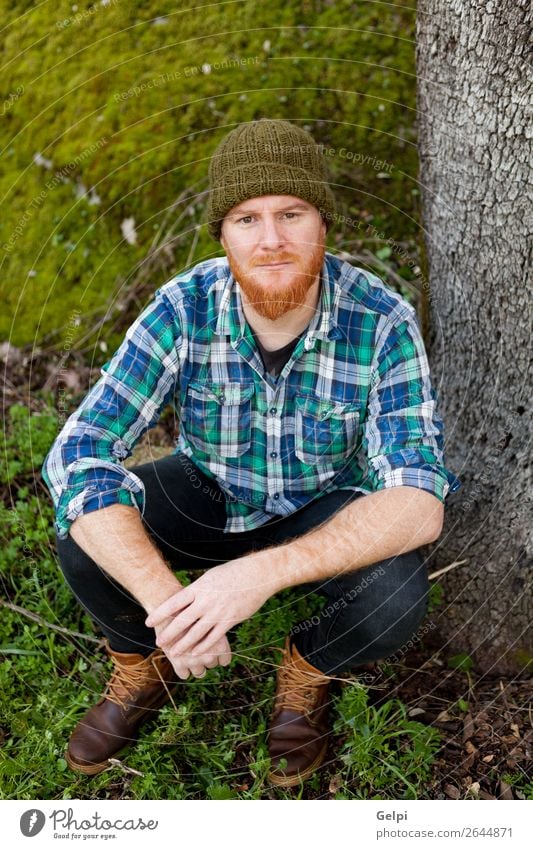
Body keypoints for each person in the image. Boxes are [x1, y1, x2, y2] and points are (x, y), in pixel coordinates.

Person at [42, 118, 460, 787]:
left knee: (395, 590)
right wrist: (166, 603)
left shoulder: (380, 319)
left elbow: (418, 498)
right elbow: (79, 450)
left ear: (324, 224)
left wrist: (259, 575)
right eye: (246, 218)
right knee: (82, 529)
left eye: (291, 214)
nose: (270, 239)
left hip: (317, 506)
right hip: (210, 490)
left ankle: (305, 668)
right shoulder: (183, 307)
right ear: (223, 233)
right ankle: (146, 659)